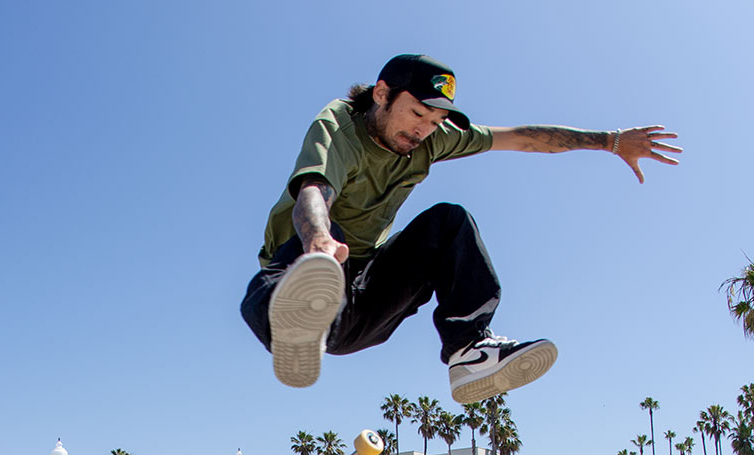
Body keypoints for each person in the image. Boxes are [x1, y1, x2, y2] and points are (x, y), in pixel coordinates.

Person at [242, 54, 680, 401]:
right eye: (416, 114)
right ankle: (295, 322)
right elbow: (314, 189)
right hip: (305, 272)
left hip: (365, 297)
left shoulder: (432, 138)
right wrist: (320, 242)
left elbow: (518, 137)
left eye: (433, 122)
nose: (423, 131)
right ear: (381, 94)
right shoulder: (340, 125)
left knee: (449, 221)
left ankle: (468, 351)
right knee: (301, 260)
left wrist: (610, 141)